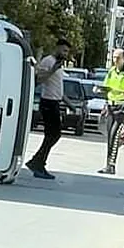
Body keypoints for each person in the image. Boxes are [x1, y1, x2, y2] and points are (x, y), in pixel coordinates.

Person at [25, 38, 76, 180]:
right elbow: (38, 80)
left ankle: (38, 162)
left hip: (55, 102)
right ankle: (37, 162)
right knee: (53, 134)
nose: (65, 54)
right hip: (47, 102)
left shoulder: (59, 65)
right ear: (57, 48)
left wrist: (69, 103)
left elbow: (58, 88)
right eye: (64, 50)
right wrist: (52, 70)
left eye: (67, 52)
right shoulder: (48, 61)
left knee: (53, 135)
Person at [97, 48, 124, 175]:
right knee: (109, 136)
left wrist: (122, 92)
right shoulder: (111, 71)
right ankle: (108, 164)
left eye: (118, 58)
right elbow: (106, 87)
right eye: (114, 57)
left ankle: (111, 165)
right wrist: (100, 90)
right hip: (110, 106)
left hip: (122, 108)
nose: (115, 60)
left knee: (115, 136)